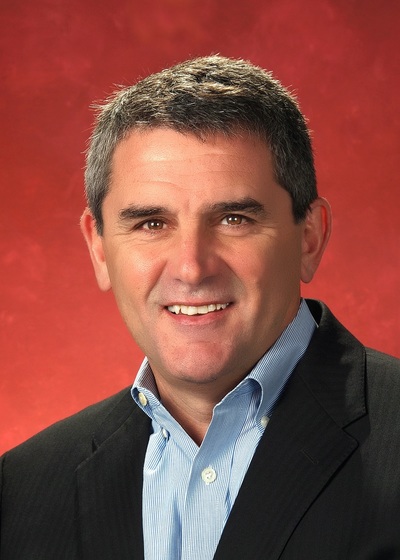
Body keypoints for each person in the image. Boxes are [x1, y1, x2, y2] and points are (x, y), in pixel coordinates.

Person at [0, 55, 399, 560]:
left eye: (234, 219)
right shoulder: (22, 490)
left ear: (310, 238)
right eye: (151, 224)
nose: (191, 268)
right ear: (99, 248)